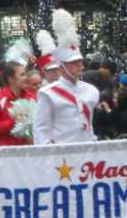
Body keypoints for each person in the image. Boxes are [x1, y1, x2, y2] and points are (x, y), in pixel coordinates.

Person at [33, 9, 100, 145]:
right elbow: (41, 128)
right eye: (73, 63)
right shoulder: (48, 93)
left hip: (88, 151)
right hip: (63, 156)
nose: (79, 66)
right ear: (62, 66)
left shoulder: (91, 90)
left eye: (80, 62)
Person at [0, 61, 36, 146]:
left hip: (27, 151)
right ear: (10, 78)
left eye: (25, 74)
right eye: (22, 75)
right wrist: (14, 123)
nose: (26, 78)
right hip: (4, 152)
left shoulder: (32, 97)